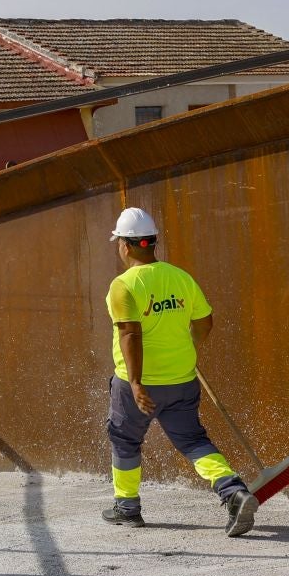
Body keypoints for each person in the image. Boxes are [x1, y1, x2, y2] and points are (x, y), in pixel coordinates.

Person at [102, 207, 258, 537]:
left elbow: (130, 333)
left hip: (139, 384)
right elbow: (204, 322)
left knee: (125, 439)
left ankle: (127, 508)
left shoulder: (123, 285)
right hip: (183, 380)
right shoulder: (180, 277)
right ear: (151, 243)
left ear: (126, 246)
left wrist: (135, 383)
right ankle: (233, 491)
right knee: (193, 441)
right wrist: (186, 347)